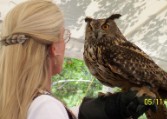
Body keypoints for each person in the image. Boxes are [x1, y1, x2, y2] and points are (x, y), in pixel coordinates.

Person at [0, 0, 156, 119]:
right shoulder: (45, 107)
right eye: (64, 36)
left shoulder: (18, 100)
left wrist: (84, 111)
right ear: (54, 47)